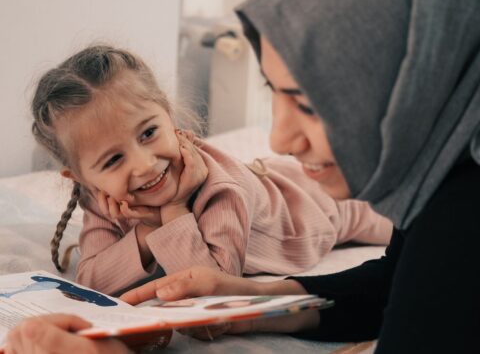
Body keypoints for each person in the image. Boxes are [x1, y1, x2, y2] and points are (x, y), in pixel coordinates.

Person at [7, 0, 480, 352]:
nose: (279, 137)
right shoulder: (438, 181)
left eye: (310, 104)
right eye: (273, 91)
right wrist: (249, 304)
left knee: (360, 217)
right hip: (300, 194)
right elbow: (389, 285)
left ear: (418, 80)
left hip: (311, 207)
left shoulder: (462, 218)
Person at [30, 45, 390, 297]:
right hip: (272, 182)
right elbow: (92, 278)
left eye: (149, 133)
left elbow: (213, 282)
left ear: (169, 116)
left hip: (313, 210)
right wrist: (144, 234)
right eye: (112, 161)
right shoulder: (100, 198)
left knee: (401, 219)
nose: (144, 164)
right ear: (79, 178)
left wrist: (172, 212)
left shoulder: (219, 187)